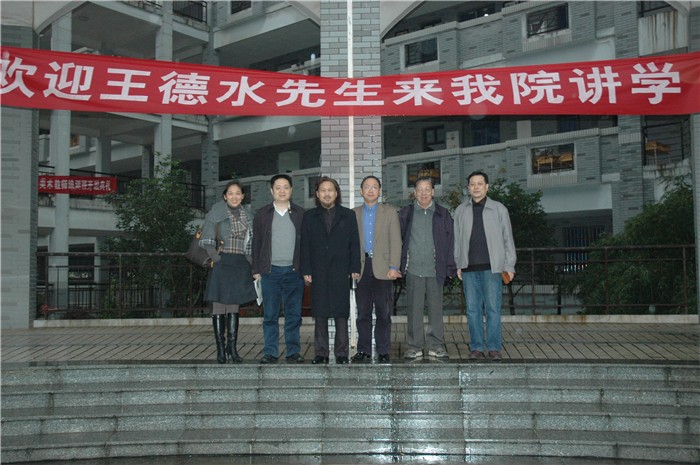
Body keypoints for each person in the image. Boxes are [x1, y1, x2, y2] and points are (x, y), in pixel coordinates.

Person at [453, 171, 516, 362]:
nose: (476, 187)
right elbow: (457, 240)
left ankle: (494, 347)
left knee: (493, 309)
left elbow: (508, 238)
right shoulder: (460, 210)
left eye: (480, 183)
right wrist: (458, 263)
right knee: (472, 310)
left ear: (487, 187)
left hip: (493, 267)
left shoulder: (499, 209)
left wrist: (509, 265)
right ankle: (476, 347)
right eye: (472, 184)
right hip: (469, 268)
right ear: (468, 188)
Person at [301, 176, 361, 365]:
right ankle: (321, 353)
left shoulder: (348, 215)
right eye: (323, 190)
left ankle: (342, 353)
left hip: (341, 270)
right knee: (320, 312)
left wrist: (355, 267)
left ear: (336, 193)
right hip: (318, 270)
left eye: (330, 190)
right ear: (317, 194)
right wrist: (306, 269)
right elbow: (305, 245)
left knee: (341, 313)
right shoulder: (309, 216)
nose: (327, 194)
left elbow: (354, 243)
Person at [399, 176, 457, 360]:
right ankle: (414, 346)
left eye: (427, 189)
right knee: (413, 310)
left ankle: (436, 345)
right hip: (413, 269)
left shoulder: (442, 214)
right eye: (419, 190)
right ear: (414, 193)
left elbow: (451, 241)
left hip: (435, 270)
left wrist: (450, 267)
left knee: (435, 310)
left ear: (433, 191)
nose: (423, 193)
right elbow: (398, 239)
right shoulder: (406, 214)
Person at [199, 180, 257, 364]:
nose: (234, 196)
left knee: (233, 307)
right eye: (230, 193)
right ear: (225, 196)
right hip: (222, 262)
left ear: (243, 196)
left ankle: (232, 349)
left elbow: (251, 244)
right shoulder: (216, 212)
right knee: (218, 306)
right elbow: (207, 239)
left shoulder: (248, 216)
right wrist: (216, 259)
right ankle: (221, 350)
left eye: (238, 193)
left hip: (240, 263)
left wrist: (252, 265)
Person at [252, 174, 306, 364]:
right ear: (271, 190)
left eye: (285, 187)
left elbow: (307, 244)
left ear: (291, 190)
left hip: (294, 271)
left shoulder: (301, 214)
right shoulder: (262, 214)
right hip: (270, 272)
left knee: (294, 315)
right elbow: (256, 243)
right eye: (278, 187)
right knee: (270, 315)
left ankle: (293, 352)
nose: (282, 191)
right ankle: (270, 352)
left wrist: (307, 270)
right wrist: (256, 269)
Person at [351, 176, 402, 363]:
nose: (371, 190)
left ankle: (383, 350)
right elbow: (349, 244)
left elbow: (396, 240)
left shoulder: (390, 212)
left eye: (374, 187)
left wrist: (394, 266)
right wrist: (352, 267)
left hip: (384, 268)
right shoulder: (353, 214)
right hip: (361, 268)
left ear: (379, 191)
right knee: (363, 313)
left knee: (383, 313)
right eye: (367, 187)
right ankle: (363, 350)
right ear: (361, 191)